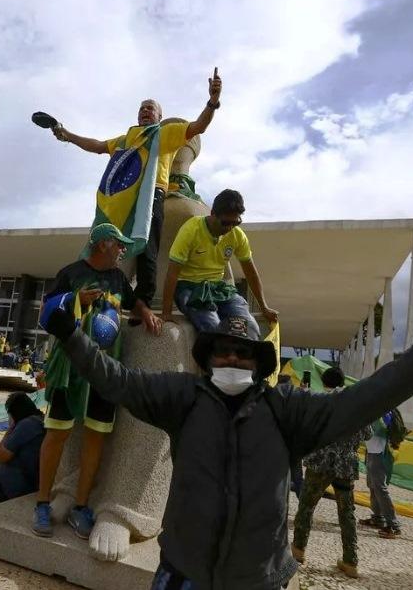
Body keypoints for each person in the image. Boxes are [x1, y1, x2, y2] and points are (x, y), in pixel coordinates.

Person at [40, 304, 413, 589]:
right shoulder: (182, 398)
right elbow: (119, 381)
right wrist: (73, 338)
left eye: (243, 353)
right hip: (183, 572)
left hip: (257, 579)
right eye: (222, 352)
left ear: (258, 363)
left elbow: (357, 403)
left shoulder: (286, 409)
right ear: (208, 359)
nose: (232, 359)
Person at [49, 69, 223, 307]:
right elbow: (97, 146)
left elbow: (198, 127)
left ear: (159, 117)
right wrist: (68, 135)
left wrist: (212, 102)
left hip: (151, 197)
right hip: (122, 200)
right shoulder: (126, 140)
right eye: (142, 108)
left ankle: (142, 304)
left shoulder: (164, 134)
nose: (145, 111)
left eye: (150, 108)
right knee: (109, 245)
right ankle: (95, 291)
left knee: (147, 250)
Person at [34, 223, 162, 540]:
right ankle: (42, 503)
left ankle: (81, 507)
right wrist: (76, 298)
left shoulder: (118, 278)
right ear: (103, 244)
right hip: (70, 367)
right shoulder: (71, 273)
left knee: (96, 436)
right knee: (57, 434)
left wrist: (145, 312)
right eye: (119, 245)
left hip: (105, 369)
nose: (123, 250)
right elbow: (45, 313)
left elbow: (132, 301)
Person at [161, 189, 279, 336]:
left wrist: (264, 307)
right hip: (190, 288)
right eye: (225, 223)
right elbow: (172, 274)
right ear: (213, 214)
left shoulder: (237, 235)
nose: (229, 228)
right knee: (215, 330)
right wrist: (166, 313)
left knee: (249, 328)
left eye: (235, 223)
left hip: (218, 289)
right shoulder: (191, 230)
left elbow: (251, 273)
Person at [291, 367, 372, 579]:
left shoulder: (320, 401)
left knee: (307, 506)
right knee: (347, 512)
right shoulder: (357, 405)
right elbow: (368, 434)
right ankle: (350, 561)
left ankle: (298, 550)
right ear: (343, 382)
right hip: (346, 465)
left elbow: (304, 426)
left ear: (324, 381)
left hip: (320, 463)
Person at [360, 408, 405, 538]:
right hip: (372, 451)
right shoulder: (375, 408)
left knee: (380, 488)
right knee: (372, 486)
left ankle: (394, 526)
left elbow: (379, 430)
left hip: (380, 453)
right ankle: (378, 518)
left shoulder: (382, 410)